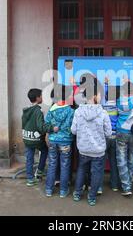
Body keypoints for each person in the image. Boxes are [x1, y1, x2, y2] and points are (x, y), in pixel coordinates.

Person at [71, 78, 112, 206]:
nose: (100, 96)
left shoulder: (78, 112)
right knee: (96, 173)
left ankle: (77, 193)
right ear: (94, 96)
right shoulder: (103, 113)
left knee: (81, 169)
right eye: (99, 94)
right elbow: (109, 133)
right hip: (98, 151)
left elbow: (73, 130)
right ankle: (92, 197)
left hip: (83, 148)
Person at [22, 88, 57, 187]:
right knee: (45, 150)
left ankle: (30, 179)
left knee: (29, 158)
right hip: (36, 139)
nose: (42, 97)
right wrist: (51, 128)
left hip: (27, 138)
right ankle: (39, 172)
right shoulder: (38, 111)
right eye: (41, 96)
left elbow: (23, 124)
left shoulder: (26, 110)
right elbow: (41, 127)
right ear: (37, 98)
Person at [44, 84, 75, 198]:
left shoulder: (51, 110)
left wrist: (52, 130)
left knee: (52, 165)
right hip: (66, 141)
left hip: (52, 140)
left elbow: (46, 124)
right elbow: (72, 126)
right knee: (65, 165)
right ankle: (63, 191)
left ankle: (48, 190)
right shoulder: (71, 111)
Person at [115, 81, 133, 196]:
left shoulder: (119, 101)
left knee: (121, 160)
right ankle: (130, 182)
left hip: (121, 131)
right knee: (132, 158)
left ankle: (126, 187)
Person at [100, 78, 121, 193]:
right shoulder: (118, 106)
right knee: (114, 161)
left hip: (104, 137)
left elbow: (105, 94)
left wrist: (106, 84)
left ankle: (99, 186)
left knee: (101, 162)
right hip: (115, 136)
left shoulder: (104, 105)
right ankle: (114, 185)